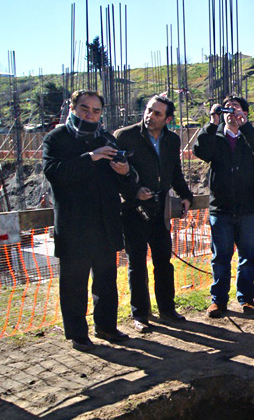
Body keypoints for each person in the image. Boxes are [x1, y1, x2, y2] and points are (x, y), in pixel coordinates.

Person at [43, 90, 136, 351]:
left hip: (105, 224)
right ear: (73, 108)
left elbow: (125, 182)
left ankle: (106, 327)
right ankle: (78, 334)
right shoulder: (56, 138)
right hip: (74, 227)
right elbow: (53, 173)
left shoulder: (106, 137)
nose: (90, 115)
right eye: (85, 108)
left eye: (96, 111)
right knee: (74, 285)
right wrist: (90, 157)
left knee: (106, 282)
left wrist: (125, 171)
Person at [114, 95, 194, 333]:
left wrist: (186, 195)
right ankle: (140, 314)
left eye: (157, 113)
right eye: (149, 110)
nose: (150, 116)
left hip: (160, 210)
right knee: (137, 265)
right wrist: (134, 192)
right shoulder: (125, 136)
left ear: (168, 119)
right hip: (133, 210)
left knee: (163, 262)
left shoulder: (172, 140)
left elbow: (175, 172)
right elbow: (114, 175)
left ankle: (167, 309)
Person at [193, 95, 254, 317]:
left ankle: (246, 299)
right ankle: (218, 301)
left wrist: (245, 126)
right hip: (221, 209)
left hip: (249, 209)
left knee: (247, 256)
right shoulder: (216, 137)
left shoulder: (252, 136)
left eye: (236, 108)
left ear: (245, 113)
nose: (231, 112)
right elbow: (200, 151)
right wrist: (212, 123)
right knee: (220, 257)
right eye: (227, 109)